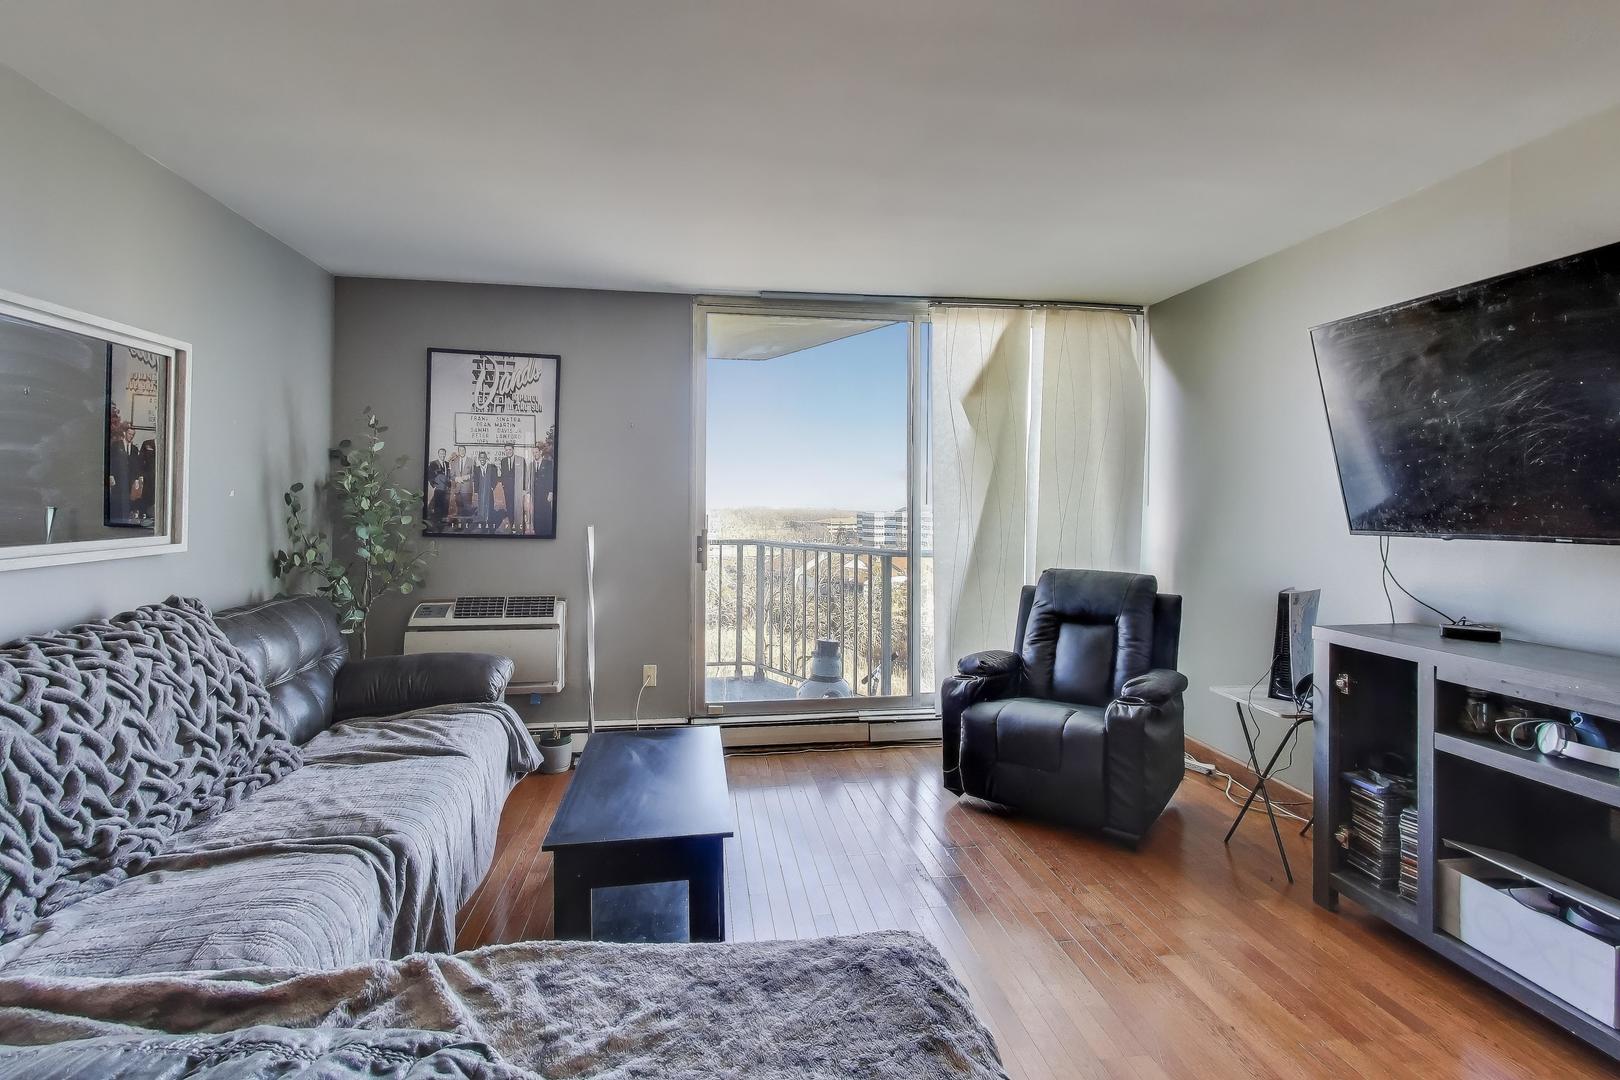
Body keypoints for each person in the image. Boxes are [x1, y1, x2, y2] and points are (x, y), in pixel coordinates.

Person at [426, 447, 451, 527]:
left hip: (446, 489)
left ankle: (444, 521)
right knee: (438, 504)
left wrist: (449, 486)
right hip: (438, 488)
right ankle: (437, 521)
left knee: (445, 504)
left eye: (444, 453)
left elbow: (449, 476)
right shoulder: (433, 463)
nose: (443, 455)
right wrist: (434, 486)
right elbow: (430, 476)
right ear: (438, 454)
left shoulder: (447, 463)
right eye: (441, 453)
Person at [475, 450, 497, 532]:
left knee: (489, 507)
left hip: (488, 491)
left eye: (484, 457)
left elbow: (495, 478)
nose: (482, 459)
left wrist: (492, 487)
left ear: (486, 458)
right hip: (481, 492)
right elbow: (476, 480)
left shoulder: (491, 468)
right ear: (478, 459)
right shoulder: (477, 469)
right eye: (481, 457)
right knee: (481, 507)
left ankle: (489, 524)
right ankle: (482, 524)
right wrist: (476, 492)